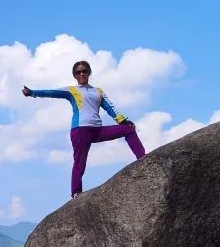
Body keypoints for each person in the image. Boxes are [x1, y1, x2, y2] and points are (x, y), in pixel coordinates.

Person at [23, 60, 146, 198]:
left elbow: (110, 108)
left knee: (128, 129)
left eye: (84, 71)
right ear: (74, 75)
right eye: (78, 72)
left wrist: (123, 120)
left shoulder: (98, 91)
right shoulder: (71, 90)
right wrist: (32, 92)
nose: (81, 74)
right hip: (80, 130)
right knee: (80, 162)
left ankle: (142, 158)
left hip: (97, 130)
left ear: (89, 73)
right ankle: (76, 193)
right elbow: (51, 92)